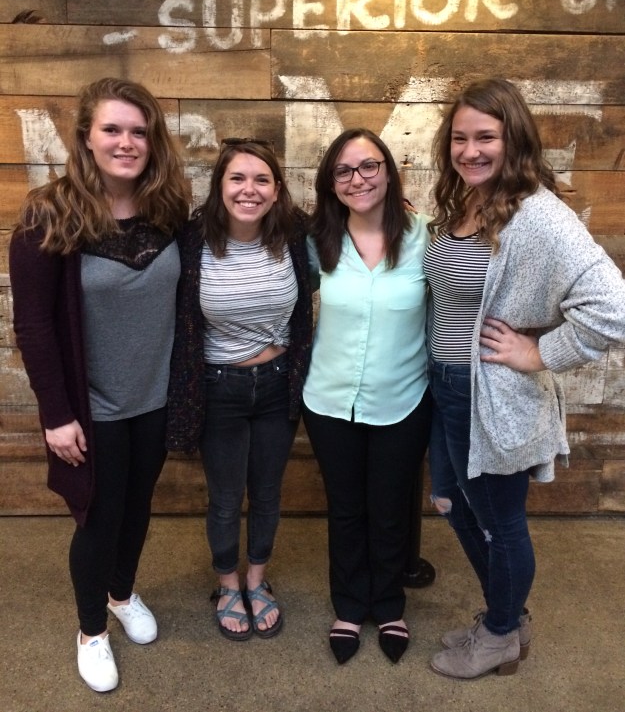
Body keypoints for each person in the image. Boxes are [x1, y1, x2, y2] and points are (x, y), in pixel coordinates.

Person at [423, 77, 625, 680]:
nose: (470, 151)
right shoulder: (466, 201)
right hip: (446, 388)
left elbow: (613, 308)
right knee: (455, 505)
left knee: (499, 523)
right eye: (459, 138)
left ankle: (501, 634)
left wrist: (539, 353)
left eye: (486, 137)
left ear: (514, 139)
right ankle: (507, 617)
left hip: (492, 396)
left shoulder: (538, 216)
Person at [9, 78, 190, 693]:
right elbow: (33, 325)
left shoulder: (167, 208)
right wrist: (56, 415)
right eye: (112, 129)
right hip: (93, 410)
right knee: (99, 518)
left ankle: (121, 593)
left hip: (155, 399)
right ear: (86, 136)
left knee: (138, 508)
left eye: (139, 131)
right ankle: (91, 631)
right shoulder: (49, 214)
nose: (126, 142)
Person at [166, 138, 313, 641]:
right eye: (237, 178)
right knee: (227, 498)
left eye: (261, 180)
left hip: (278, 384)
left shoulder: (293, 234)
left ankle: (256, 579)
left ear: (277, 190)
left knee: (268, 493)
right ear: (219, 186)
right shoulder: (192, 240)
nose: (249, 190)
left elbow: (351, 224)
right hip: (219, 387)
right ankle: (227, 583)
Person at [302, 128, 432, 665]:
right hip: (329, 400)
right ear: (331, 183)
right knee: (346, 509)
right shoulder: (318, 242)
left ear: (388, 171)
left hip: (403, 400)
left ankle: (390, 605)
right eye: (344, 171)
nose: (357, 179)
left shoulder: (428, 238)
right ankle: (350, 606)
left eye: (368, 166)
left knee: (389, 510)